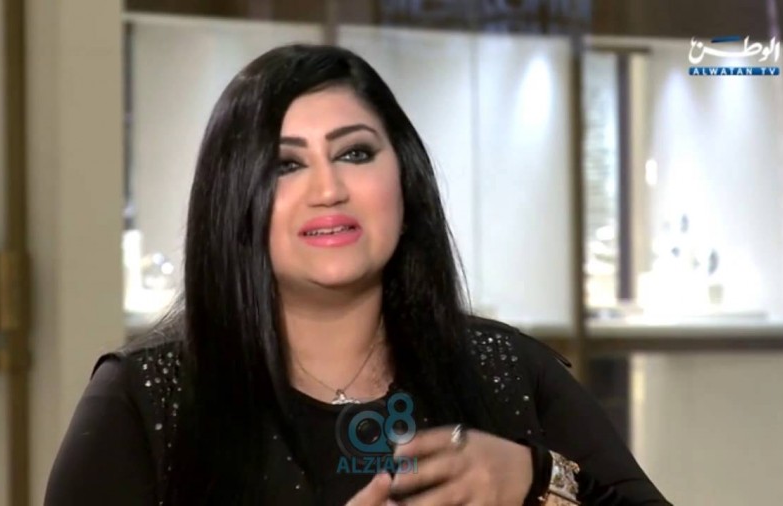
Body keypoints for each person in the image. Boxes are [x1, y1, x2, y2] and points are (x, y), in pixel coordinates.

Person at [45, 44, 670, 506]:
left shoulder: (507, 373)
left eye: (354, 153)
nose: (329, 189)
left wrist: (539, 481)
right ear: (233, 201)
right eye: (286, 165)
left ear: (404, 180)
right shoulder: (144, 399)